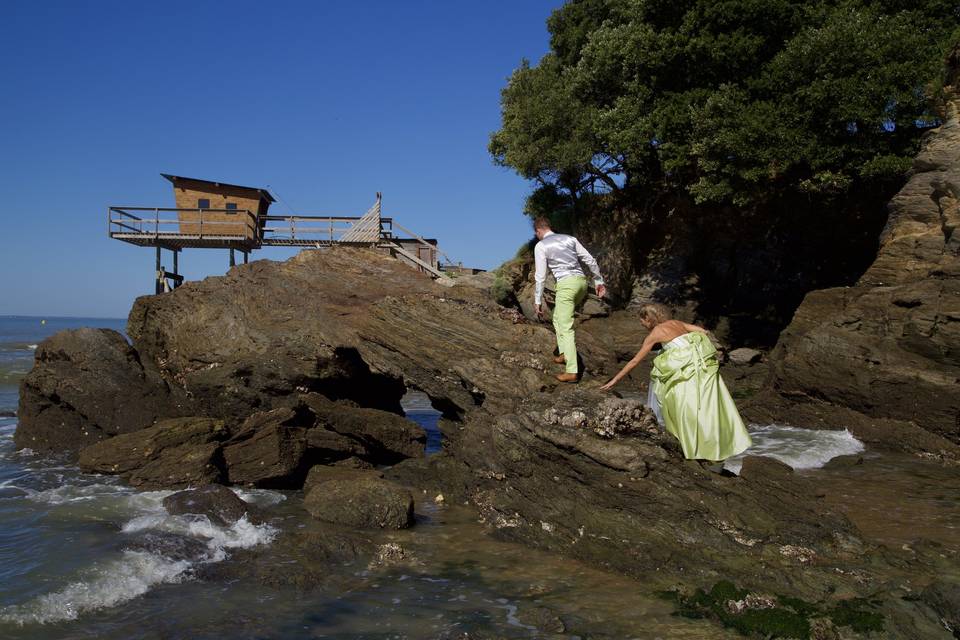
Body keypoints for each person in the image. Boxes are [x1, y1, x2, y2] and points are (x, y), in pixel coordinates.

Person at [599, 303, 752, 462]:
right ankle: (714, 451)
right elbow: (703, 331)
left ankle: (692, 449)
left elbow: (635, 361)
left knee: (682, 411)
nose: (641, 324)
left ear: (649, 319)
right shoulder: (678, 323)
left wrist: (615, 380)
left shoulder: (655, 334)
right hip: (701, 369)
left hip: (683, 374)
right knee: (705, 409)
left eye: (642, 321)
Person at [532, 217, 606, 383]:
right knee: (558, 317)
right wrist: (598, 280)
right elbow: (590, 260)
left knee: (565, 326)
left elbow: (541, 276)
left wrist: (537, 300)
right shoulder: (570, 239)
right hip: (581, 283)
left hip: (566, 285)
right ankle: (565, 352)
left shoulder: (541, 246)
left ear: (538, 231)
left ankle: (572, 370)